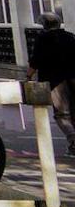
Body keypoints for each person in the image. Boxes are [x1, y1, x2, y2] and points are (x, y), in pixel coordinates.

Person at [29, 12, 75, 150]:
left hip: (55, 81)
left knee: (62, 113)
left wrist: (28, 77)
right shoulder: (70, 36)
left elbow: (35, 61)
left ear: (44, 25)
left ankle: (73, 139)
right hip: (73, 76)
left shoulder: (42, 39)